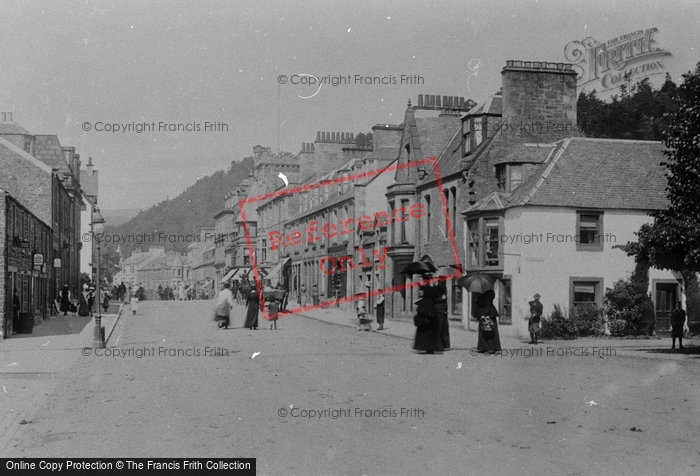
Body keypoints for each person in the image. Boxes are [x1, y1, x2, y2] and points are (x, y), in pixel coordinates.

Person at [413, 283, 443, 354]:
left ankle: (429, 348)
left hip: (428, 322)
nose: (419, 292)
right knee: (425, 335)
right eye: (419, 290)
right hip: (425, 321)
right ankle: (428, 348)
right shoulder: (424, 300)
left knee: (428, 335)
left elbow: (430, 312)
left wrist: (422, 311)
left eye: (421, 290)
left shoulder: (428, 301)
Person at [476, 289, 501, 354]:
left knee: (489, 330)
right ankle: (483, 347)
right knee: (483, 330)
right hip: (483, 313)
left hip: (488, 314)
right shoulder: (481, 291)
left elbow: (488, 303)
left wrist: (486, 314)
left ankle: (491, 348)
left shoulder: (489, 291)